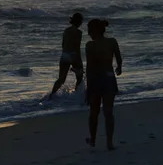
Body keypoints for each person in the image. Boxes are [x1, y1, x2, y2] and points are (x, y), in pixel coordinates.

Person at [85, 18, 122, 150]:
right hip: (109, 79)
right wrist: (119, 68)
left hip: (95, 80)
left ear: (95, 31)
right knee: (108, 112)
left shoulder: (90, 45)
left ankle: (93, 140)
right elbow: (119, 60)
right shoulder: (112, 42)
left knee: (94, 112)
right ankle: (109, 143)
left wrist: (88, 88)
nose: (88, 33)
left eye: (89, 30)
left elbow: (89, 67)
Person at [49, 12, 84, 98]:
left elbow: (63, 44)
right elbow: (77, 47)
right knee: (79, 76)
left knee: (61, 79)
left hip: (65, 54)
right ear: (79, 22)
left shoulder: (66, 31)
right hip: (74, 55)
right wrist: (79, 60)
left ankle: (51, 96)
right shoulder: (79, 32)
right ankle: (77, 95)